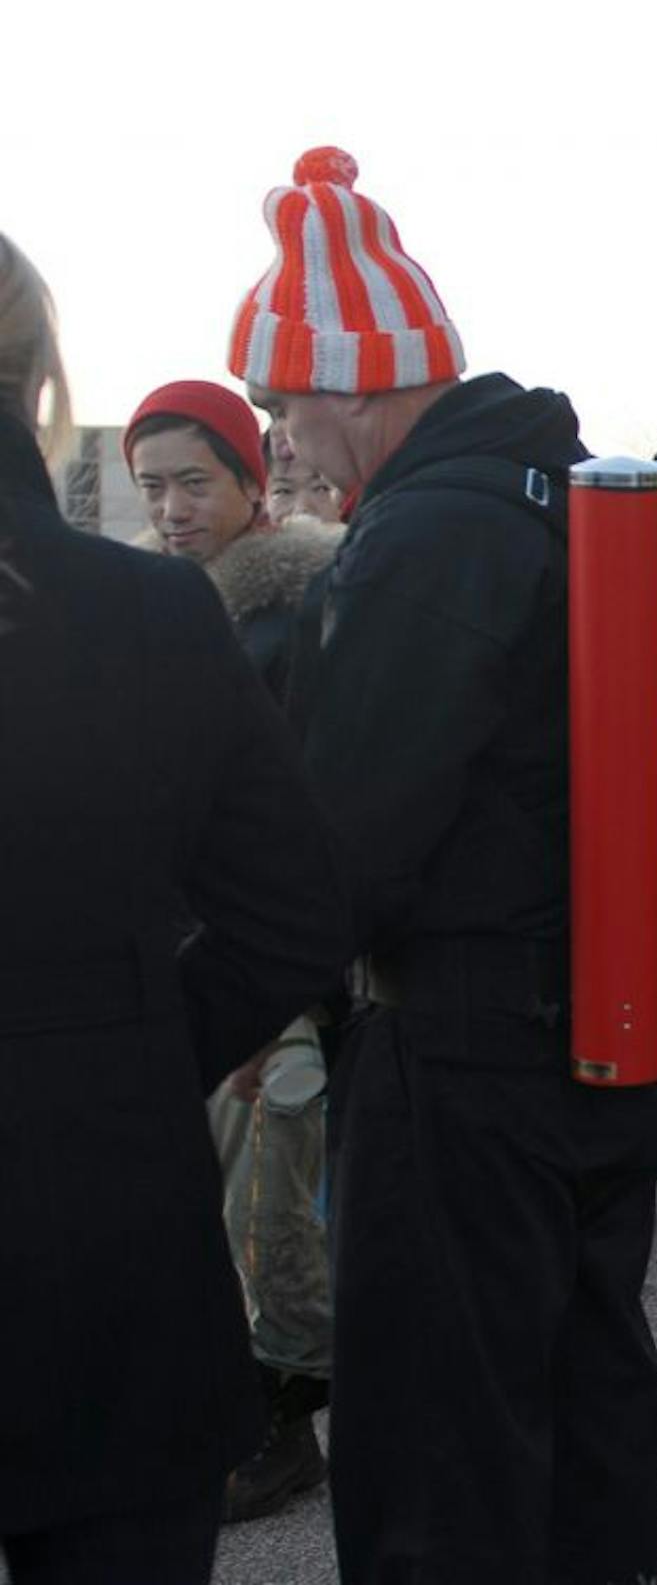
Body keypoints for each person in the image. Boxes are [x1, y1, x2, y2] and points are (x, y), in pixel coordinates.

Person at [233, 147, 657, 1584]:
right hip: (606, 1033)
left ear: (358, 381)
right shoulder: (558, 494)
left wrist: (230, 999)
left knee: (440, 1441)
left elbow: (342, 839)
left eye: (285, 399)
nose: (282, 436)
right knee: (583, 1394)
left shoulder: (427, 538)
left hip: (466, 1055)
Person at [0, 231, 351, 1585]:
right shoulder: (148, 613)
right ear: (41, 388)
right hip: (114, 1262)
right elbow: (295, 908)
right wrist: (139, 1050)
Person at [125, 381, 345, 1524]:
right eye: (151, 485)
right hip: (208, 963)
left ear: (254, 484)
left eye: (193, 481)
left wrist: (277, 999)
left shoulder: (285, 615)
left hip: (274, 975)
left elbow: (292, 825)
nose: (168, 507)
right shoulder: (178, 611)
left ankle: (281, 1425)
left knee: (272, 1209)